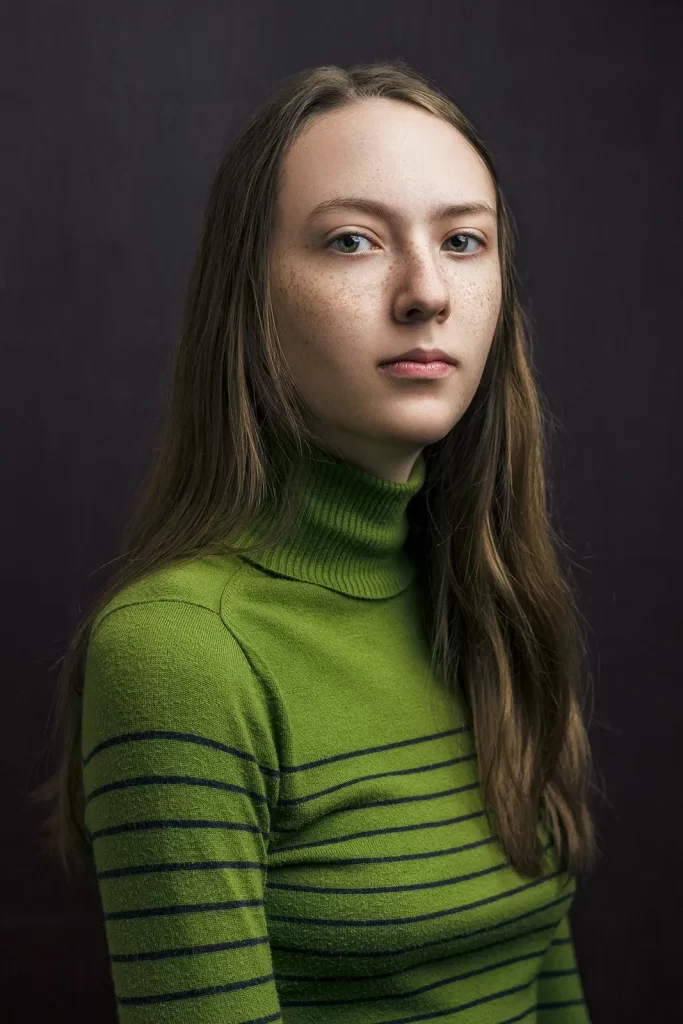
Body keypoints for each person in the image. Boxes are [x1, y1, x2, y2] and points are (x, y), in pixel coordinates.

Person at [32, 60, 603, 1022]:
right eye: (352, 241)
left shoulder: (492, 605)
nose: (427, 293)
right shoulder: (182, 654)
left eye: (464, 240)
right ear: (250, 297)